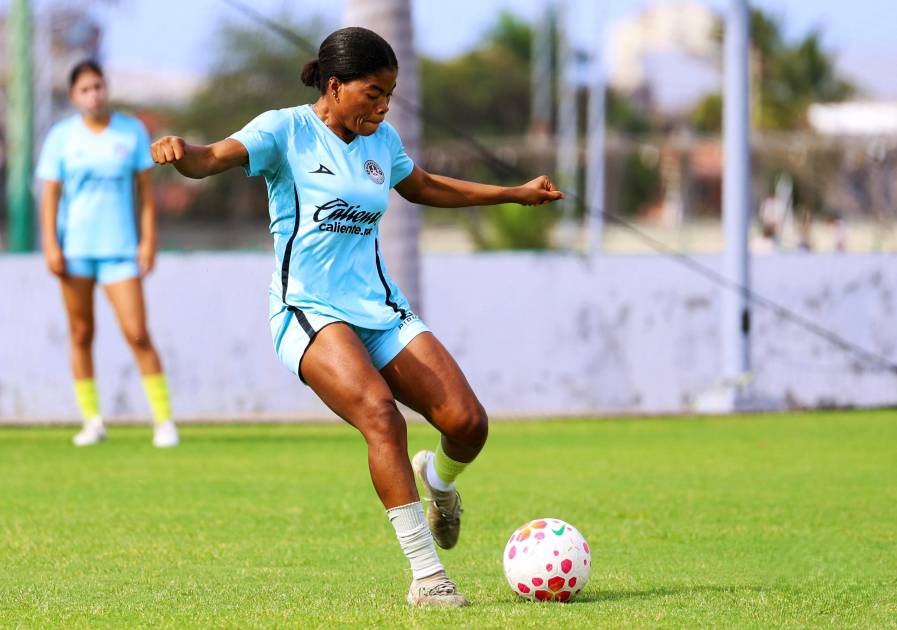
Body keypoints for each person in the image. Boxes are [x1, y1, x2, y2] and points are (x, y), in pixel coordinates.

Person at [151, 27, 562, 606]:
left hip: (380, 309)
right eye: (374, 93)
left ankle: (439, 481)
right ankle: (427, 576)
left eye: (389, 94)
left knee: (468, 423)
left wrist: (512, 193)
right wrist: (179, 150)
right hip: (308, 309)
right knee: (380, 415)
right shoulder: (284, 130)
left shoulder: (381, 140)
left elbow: (422, 186)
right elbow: (210, 158)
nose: (384, 106)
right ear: (336, 86)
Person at [37, 60, 178, 448]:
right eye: (85, 89)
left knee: (137, 332)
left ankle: (164, 421)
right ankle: (92, 420)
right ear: (73, 96)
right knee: (81, 332)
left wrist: (147, 241)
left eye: (98, 86)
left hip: (120, 250)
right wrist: (51, 244)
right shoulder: (61, 137)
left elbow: (145, 194)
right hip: (76, 251)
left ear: (106, 88)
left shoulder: (130, 131)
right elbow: (50, 196)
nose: (93, 95)